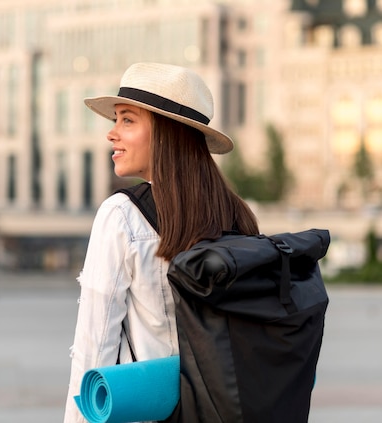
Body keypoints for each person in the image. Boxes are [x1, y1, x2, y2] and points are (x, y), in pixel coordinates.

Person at [63, 62, 259, 423]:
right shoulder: (238, 215)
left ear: (166, 133)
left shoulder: (121, 215)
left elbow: (94, 349)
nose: (112, 134)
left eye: (127, 120)